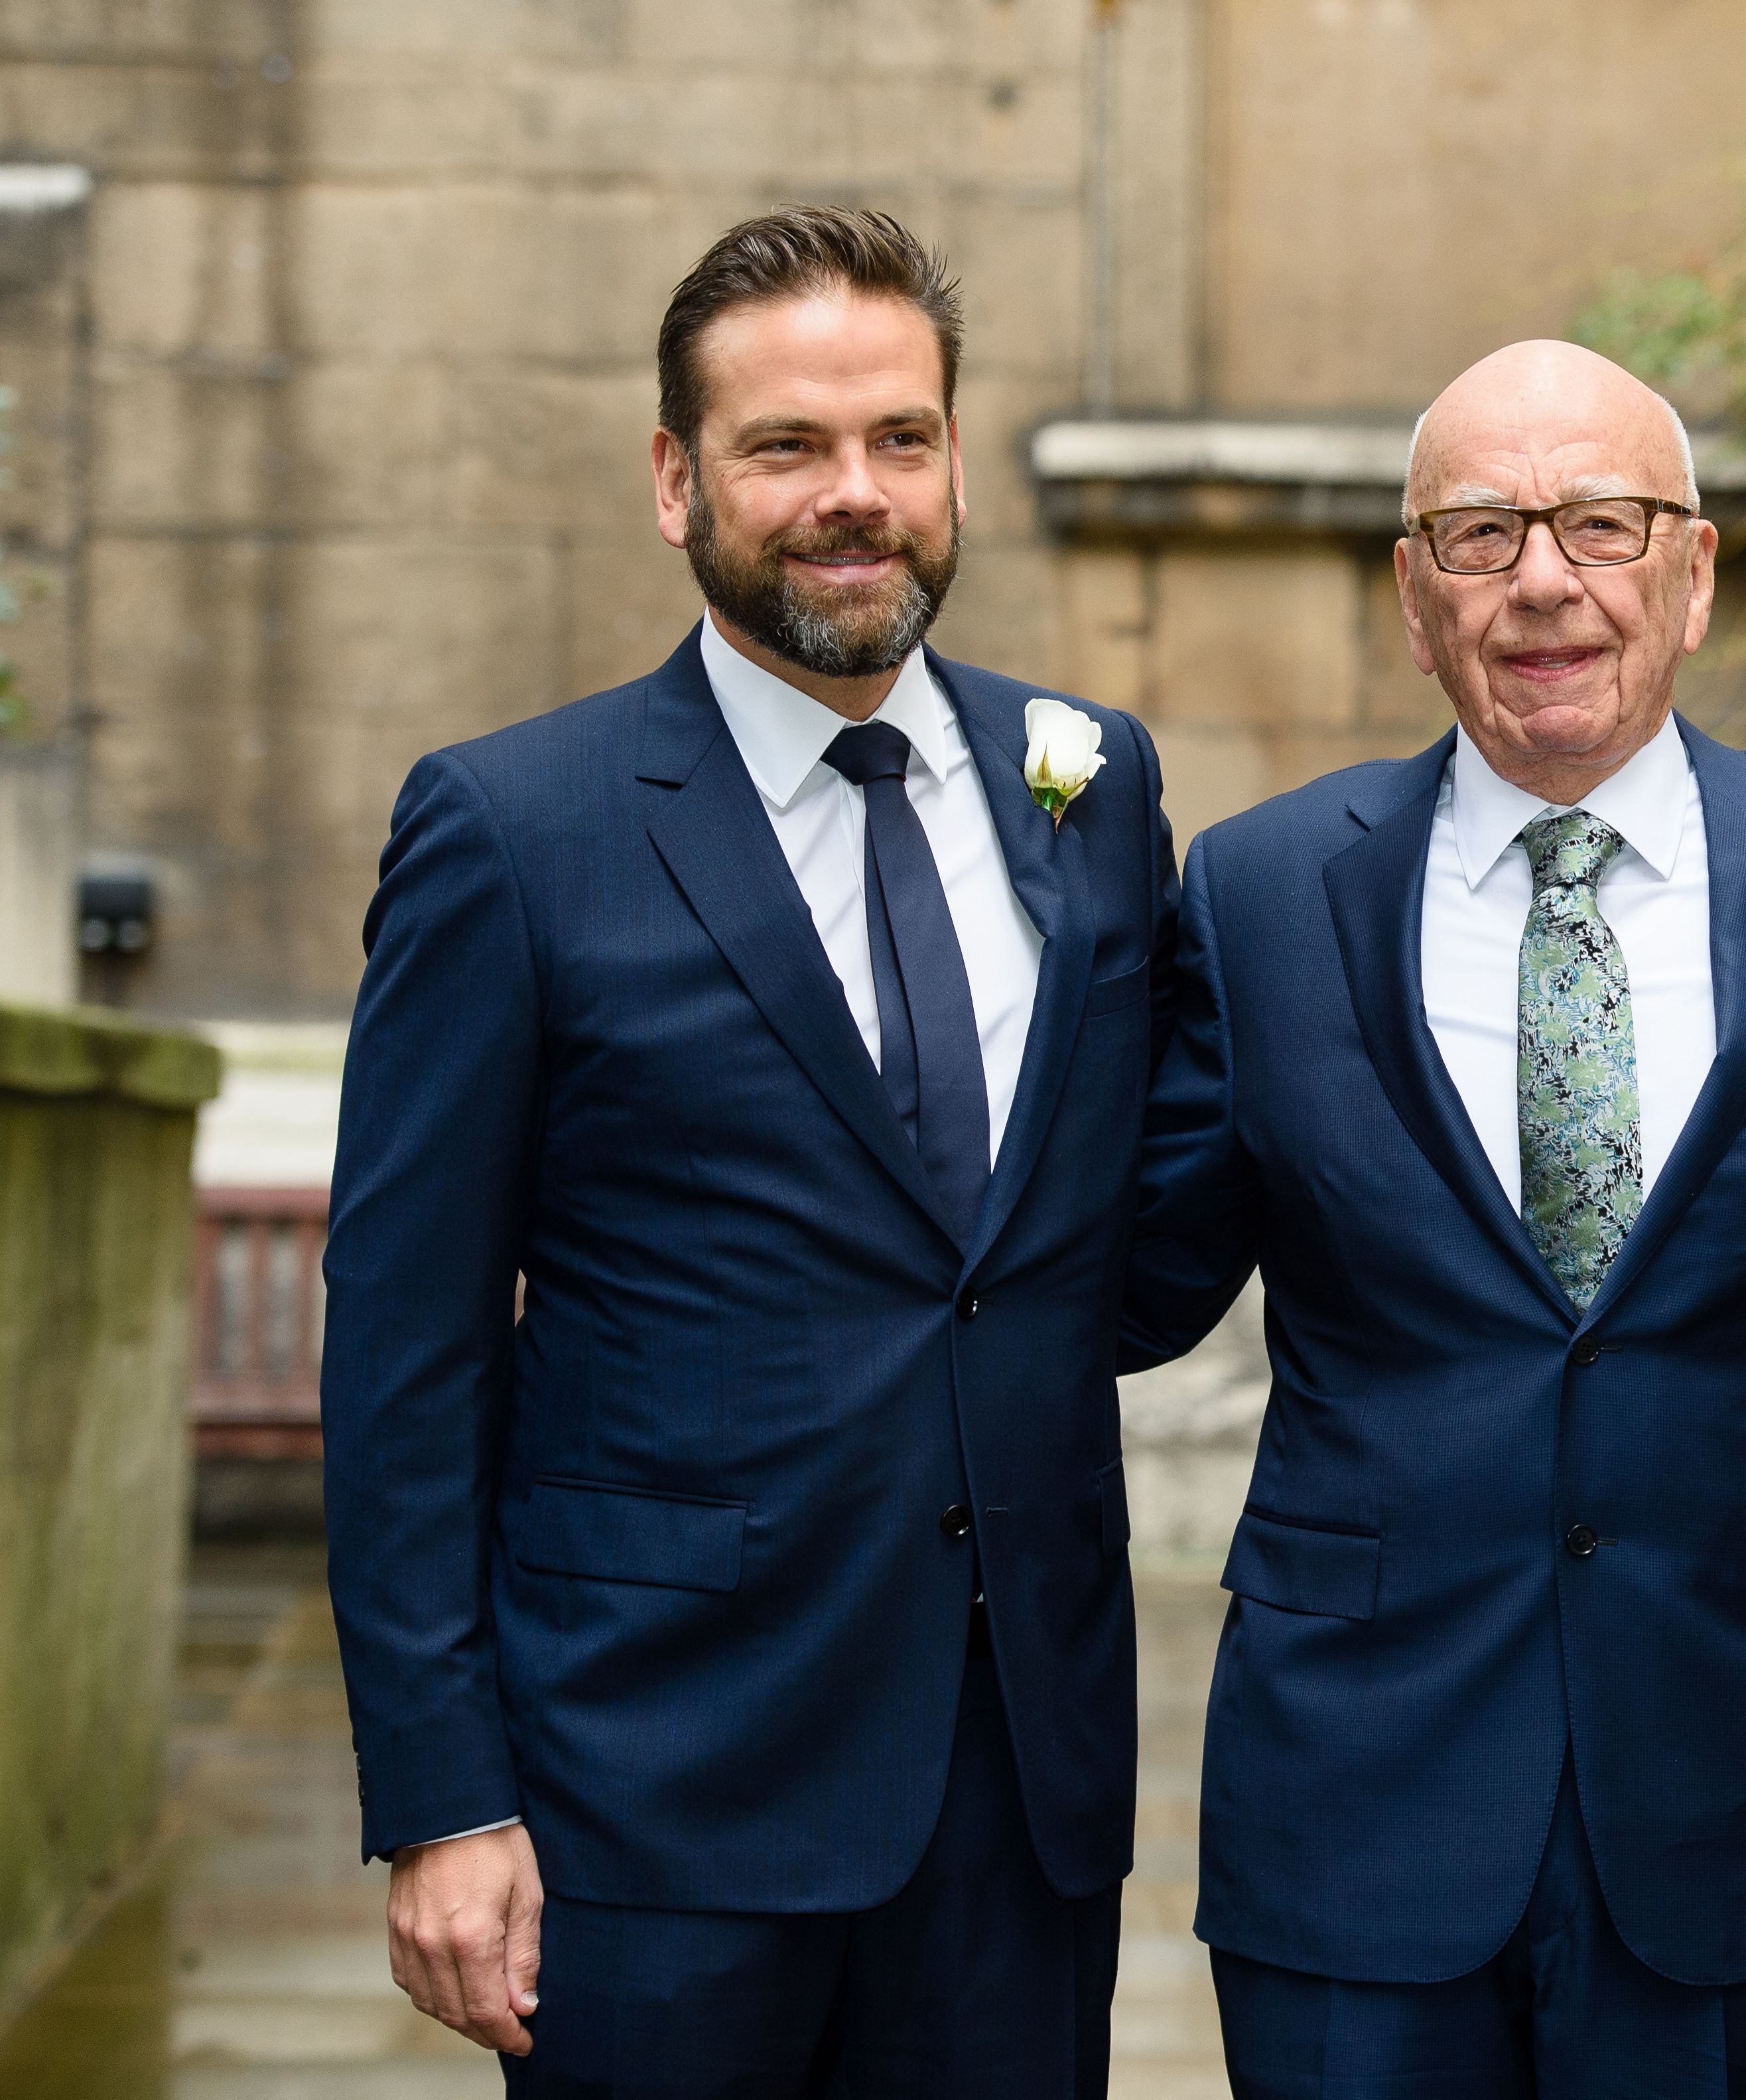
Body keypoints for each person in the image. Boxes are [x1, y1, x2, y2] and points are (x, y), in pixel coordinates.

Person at [320, 206, 1173, 2095]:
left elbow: (1116, 1223)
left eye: (902, 440)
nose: (852, 498)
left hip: (1016, 1791)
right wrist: (442, 1799)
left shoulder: (1092, 787)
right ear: (674, 480)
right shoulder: (510, 829)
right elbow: (407, 1353)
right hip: (649, 1803)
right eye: (786, 447)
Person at [1118, 339, 1746, 2098]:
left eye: (1600, 523)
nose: (1541, 583)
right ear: (1410, 596)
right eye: (1480, 532)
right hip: (1357, 1802)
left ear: (1695, 571)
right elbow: (1118, 1280)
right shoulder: (1263, 890)